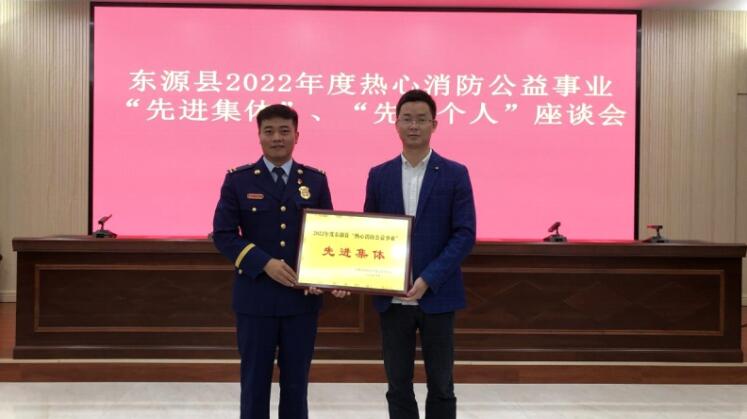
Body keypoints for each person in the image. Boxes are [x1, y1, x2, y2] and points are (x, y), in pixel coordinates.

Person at [212, 104, 343, 419]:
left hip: (301, 301)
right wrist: (264, 263)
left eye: (284, 131)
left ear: (297, 136)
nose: (277, 138)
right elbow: (223, 235)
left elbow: (326, 235)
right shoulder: (239, 180)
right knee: (254, 383)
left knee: (296, 385)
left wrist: (326, 275)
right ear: (259, 135)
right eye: (269, 131)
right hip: (255, 299)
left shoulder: (315, 181)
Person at [363, 90, 476, 419]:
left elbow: (464, 233)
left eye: (421, 119)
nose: (414, 126)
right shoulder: (379, 175)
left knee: (441, 384)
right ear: (396, 124)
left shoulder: (455, 173)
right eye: (407, 119)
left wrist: (428, 278)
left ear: (434, 125)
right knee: (397, 384)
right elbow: (369, 232)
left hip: (437, 296)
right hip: (392, 299)